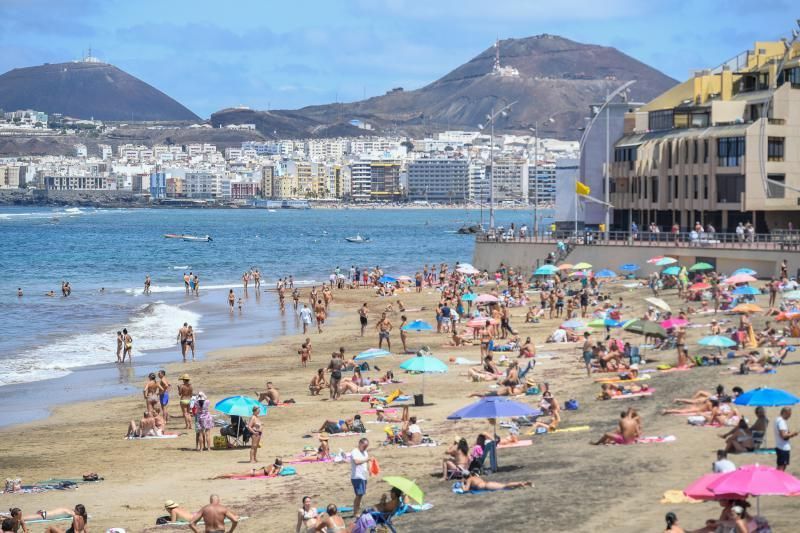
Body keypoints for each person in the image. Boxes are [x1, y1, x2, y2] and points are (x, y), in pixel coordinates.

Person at [350, 438, 370, 516]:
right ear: (360, 444)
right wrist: (366, 460)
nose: (365, 448)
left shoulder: (365, 452)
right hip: (356, 476)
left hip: (363, 476)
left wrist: (369, 471)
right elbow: (356, 462)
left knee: (361, 494)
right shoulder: (355, 451)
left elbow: (366, 463)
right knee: (359, 494)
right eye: (364, 446)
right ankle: (356, 512)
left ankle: (357, 510)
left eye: (366, 446)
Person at [775, 407, 798, 471]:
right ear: (784, 413)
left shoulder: (777, 419)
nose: (789, 417)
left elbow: (783, 434)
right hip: (783, 448)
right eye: (789, 415)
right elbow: (784, 436)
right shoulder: (781, 422)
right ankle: (779, 480)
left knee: (781, 466)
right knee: (781, 467)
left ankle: (778, 479)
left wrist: (789, 433)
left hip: (780, 446)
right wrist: (793, 434)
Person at [460, 472, 532, 491]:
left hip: (487, 486)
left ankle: (521, 483)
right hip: (488, 484)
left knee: (505, 486)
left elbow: (465, 490)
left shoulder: (469, 480)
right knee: (505, 486)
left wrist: (462, 483)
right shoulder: (475, 477)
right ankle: (524, 484)